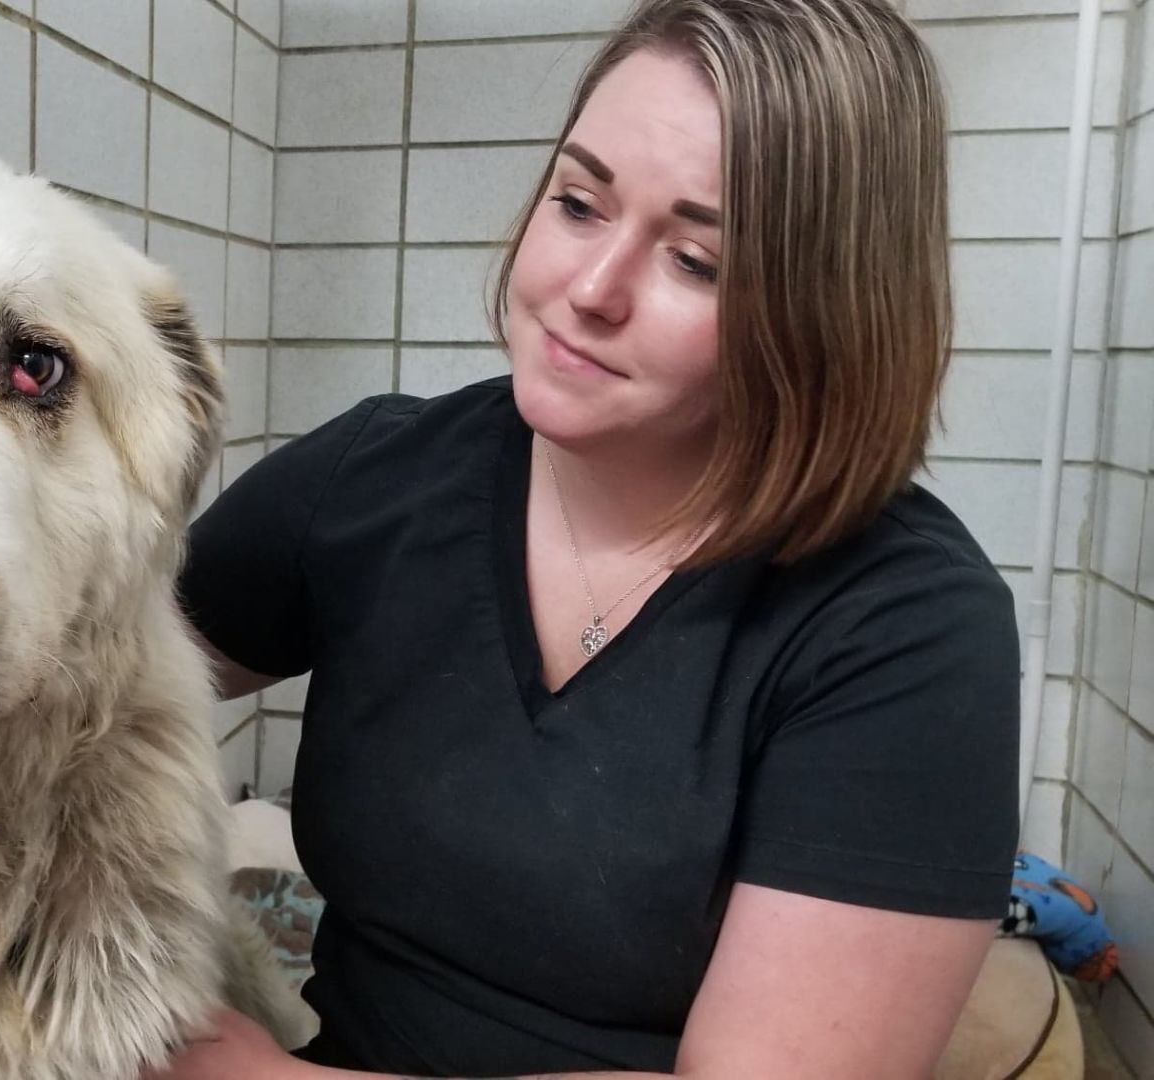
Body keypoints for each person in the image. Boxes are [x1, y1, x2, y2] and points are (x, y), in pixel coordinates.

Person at [153, 0, 1021, 1076]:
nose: (589, 290)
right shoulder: (375, 479)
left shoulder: (904, 628)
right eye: (576, 202)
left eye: (696, 261)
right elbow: (80, 681)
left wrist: (255, 1076)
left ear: (825, 310)